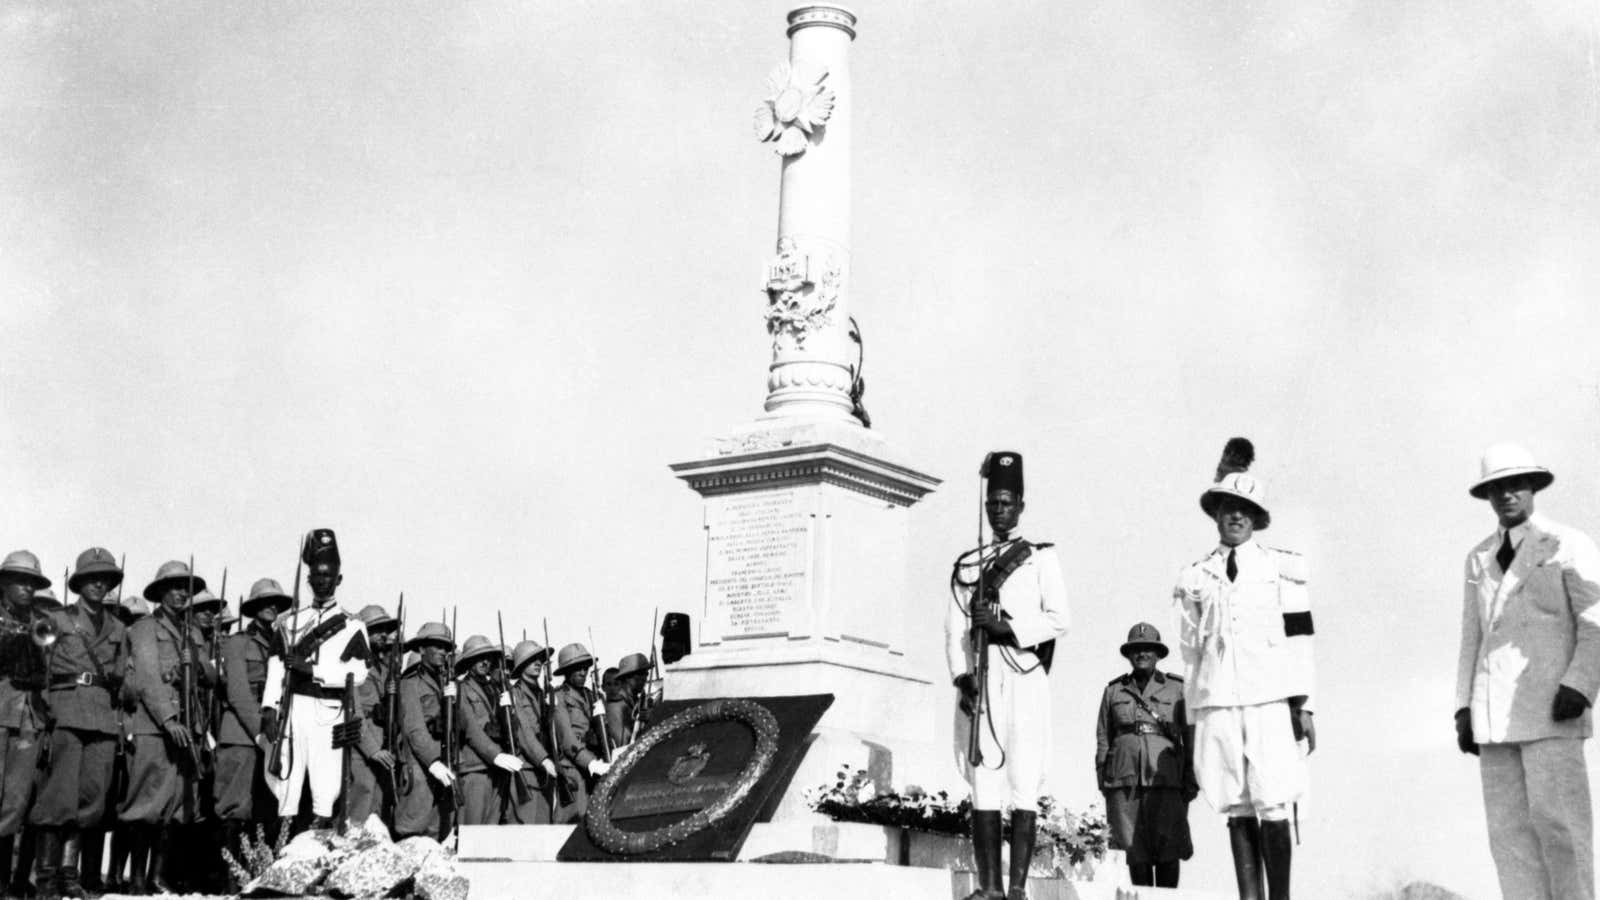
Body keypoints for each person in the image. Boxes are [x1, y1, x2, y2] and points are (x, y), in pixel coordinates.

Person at [1455, 443, 1600, 900]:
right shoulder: (1478, 557)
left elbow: (1596, 622)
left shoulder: (1568, 543)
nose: (1506, 495)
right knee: (1510, 839)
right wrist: (1463, 708)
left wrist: (1580, 683)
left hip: (1552, 708)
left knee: (1562, 829)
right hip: (1494, 718)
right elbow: (1470, 638)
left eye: (1515, 485)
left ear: (1533, 487)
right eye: (1496, 488)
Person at [1173, 438, 1315, 900]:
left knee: (1273, 800)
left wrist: (1304, 705)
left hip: (1270, 698)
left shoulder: (1282, 570)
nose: (1235, 516)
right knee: (1235, 803)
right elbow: (1190, 654)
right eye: (1228, 507)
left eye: (1245, 509)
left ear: (1256, 517)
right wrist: (1193, 718)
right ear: (1216, 513)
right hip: (1217, 701)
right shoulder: (1195, 578)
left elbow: (1300, 639)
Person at [946, 451, 1070, 900]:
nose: (998, 511)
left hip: (1024, 672)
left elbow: (1059, 619)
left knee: (1023, 774)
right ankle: (989, 887)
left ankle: (1017, 888)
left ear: (1020, 504)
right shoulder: (968, 564)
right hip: (982, 675)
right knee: (983, 774)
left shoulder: (1039, 559)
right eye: (992, 504)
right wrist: (962, 678)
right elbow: (954, 627)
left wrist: (1007, 626)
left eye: (1006, 503)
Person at [260, 529, 370, 833]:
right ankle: (282, 847)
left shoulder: (352, 626)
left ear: (338, 579)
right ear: (308, 579)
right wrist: (269, 707)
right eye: (316, 575)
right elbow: (275, 667)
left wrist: (314, 671)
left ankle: (317, 845)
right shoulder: (289, 623)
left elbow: (359, 673)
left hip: (329, 710)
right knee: (286, 780)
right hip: (294, 708)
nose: (322, 581)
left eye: (328, 575)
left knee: (326, 783)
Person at [121, 560, 215, 895]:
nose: (180, 594)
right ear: (160, 591)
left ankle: (156, 878)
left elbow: (210, 677)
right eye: (173, 587)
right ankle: (134, 880)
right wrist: (168, 719)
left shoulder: (193, 631)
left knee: (176, 805)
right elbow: (146, 676)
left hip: (189, 725)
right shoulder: (145, 628)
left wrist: (198, 665)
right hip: (156, 725)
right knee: (146, 803)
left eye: (185, 588)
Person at [1095, 623, 1195, 888]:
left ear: (1158, 654)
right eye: (1136, 649)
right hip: (1124, 779)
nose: (1142, 654)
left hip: (1166, 779)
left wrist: (1191, 776)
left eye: (1148, 649)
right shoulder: (1114, 690)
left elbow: (1190, 735)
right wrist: (1103, 776)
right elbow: (1104, 736)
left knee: (1168, 849)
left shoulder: (1176, 689)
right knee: (1133, 850)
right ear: (1129, 655)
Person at [215, 578, 291, 890]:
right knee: (235, 808)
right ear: (253, 608)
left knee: (266, 807)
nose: (272, 607)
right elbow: (238, 694)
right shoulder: (236, 644)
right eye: (265, 602)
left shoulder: (284, 645)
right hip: (243, 732)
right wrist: (261, 732)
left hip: (273, 733)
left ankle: (256, 877)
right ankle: (228, 881)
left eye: (277, 602)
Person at [0, 552, 51, 895]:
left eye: (32, 583)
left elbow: (47, 670)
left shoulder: (41, 621)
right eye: (20, 581)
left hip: (28, 717)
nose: (27, 588)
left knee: (15, 802)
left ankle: (3, 880)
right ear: (4, 584)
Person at [453, 636, 525, 826]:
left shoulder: (497, 689)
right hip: (476, 769)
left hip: (499, 770)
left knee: (490, 833)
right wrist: (496, 756)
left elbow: (512, 728)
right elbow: (471, 729)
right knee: (472, 831)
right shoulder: (461, 689)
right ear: (468, 661)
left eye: (487, 657)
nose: (485, 662)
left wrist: (509, 711)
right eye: (479, 658)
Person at [395, 622, 456, 840]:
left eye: (446, 648)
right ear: (421, 649)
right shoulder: (410, 684)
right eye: (437, 646)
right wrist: (433, 761)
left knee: (436, 831)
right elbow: (414, 729)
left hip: (444, 758)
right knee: (412, 829)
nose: (443, 652)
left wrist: (454, 701)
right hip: (420, 763)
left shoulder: (447, 683)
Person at [348, 605, 400, 828]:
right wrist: (372, 749)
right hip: (361, 748)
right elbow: (352, 711)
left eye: (386, 630)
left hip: (383, 746)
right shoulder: (352, 664)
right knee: (360, 808)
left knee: (377, 812)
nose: (384, 635)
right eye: (377, 629)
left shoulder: (381, 667)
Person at [551, 644, 611, 824]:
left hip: (594, 765)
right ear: (567, 671)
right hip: (573, 768)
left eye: (586, 667)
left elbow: (605, 737)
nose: (583, 671)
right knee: (571, 823)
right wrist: (590, 763)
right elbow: (567, 738)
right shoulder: (559, 697)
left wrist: (602, 719)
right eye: (577, 667)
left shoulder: (593, 696)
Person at [504, 641, 558, 825]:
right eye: (531, 659)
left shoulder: (543, 695)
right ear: (520, 665)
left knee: (543, 825)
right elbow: (523, 732)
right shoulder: (514, 694)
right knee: (526, 827)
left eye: (540, 659)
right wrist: (543, 759)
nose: (538, 663)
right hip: (527, 769)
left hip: (544, 771)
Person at [605, 653, 651, 748]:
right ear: (627, 677)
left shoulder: (635, 702)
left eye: (646, 674)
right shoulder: (616, 707)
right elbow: (623, 746)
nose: (645, 678)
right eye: (641, 674)